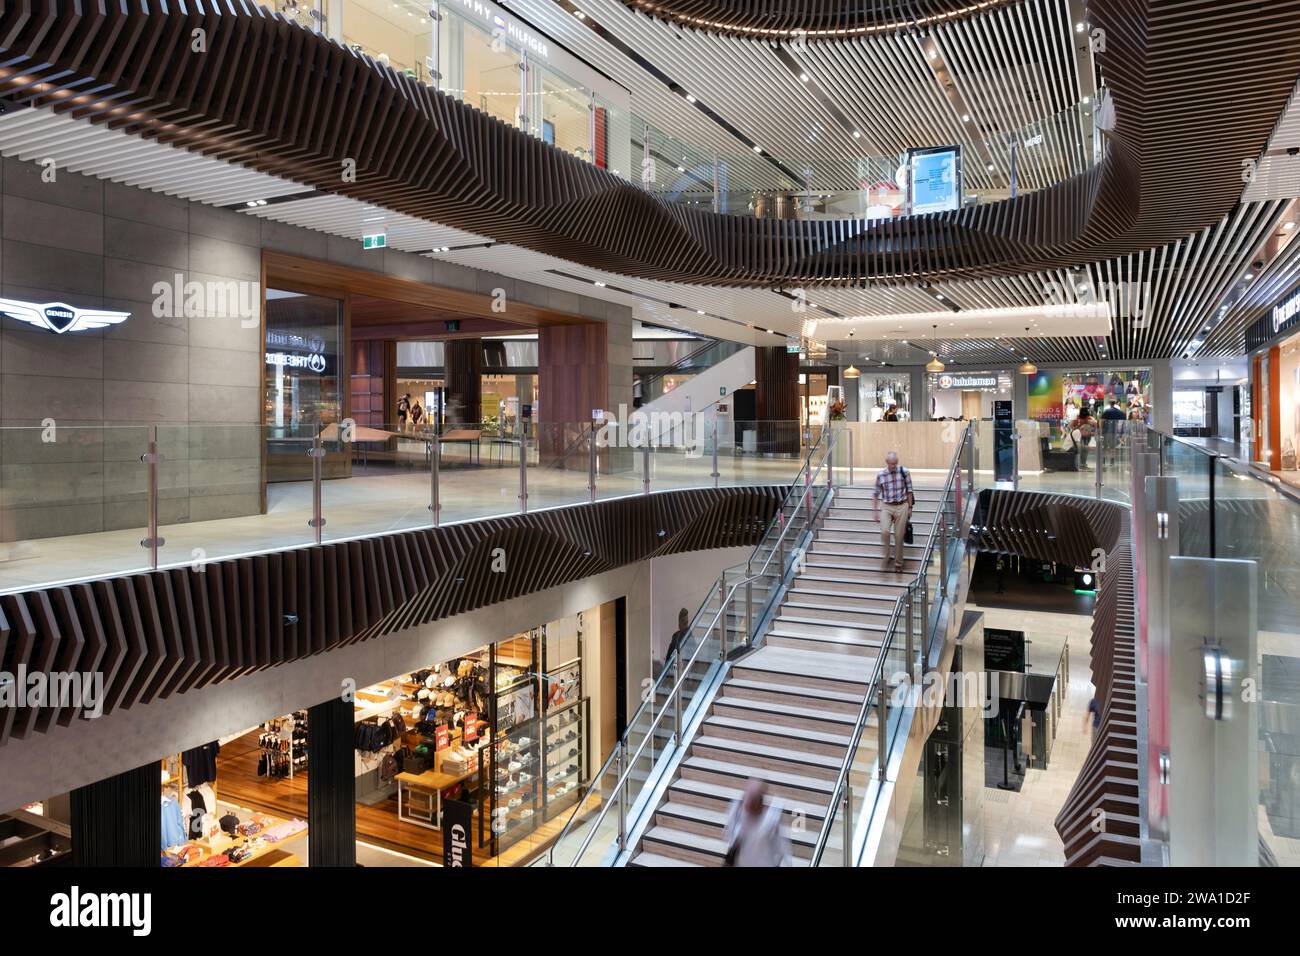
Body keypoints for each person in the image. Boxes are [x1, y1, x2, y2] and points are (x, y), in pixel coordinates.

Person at [722, 778, 791, 867]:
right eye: (746, 798)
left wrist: (785, 862)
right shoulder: (738, 810)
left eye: (750, 800)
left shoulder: (771, 818)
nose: (746, 805)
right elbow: (730, 834)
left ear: (758, 803)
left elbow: (781, 845)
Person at [872, 451, 914, 573]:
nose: (893, 466)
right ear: (887, 462)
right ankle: (886, 555)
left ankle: (898, 562)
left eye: (895, 463)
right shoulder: (881, 475)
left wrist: (910, 507)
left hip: (902, 506)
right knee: (885, 531)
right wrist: (874, 511)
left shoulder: (904, 472)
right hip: (886, 506)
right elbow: (875, 494)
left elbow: (910, 491)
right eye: (891, 464)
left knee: (899, 535)